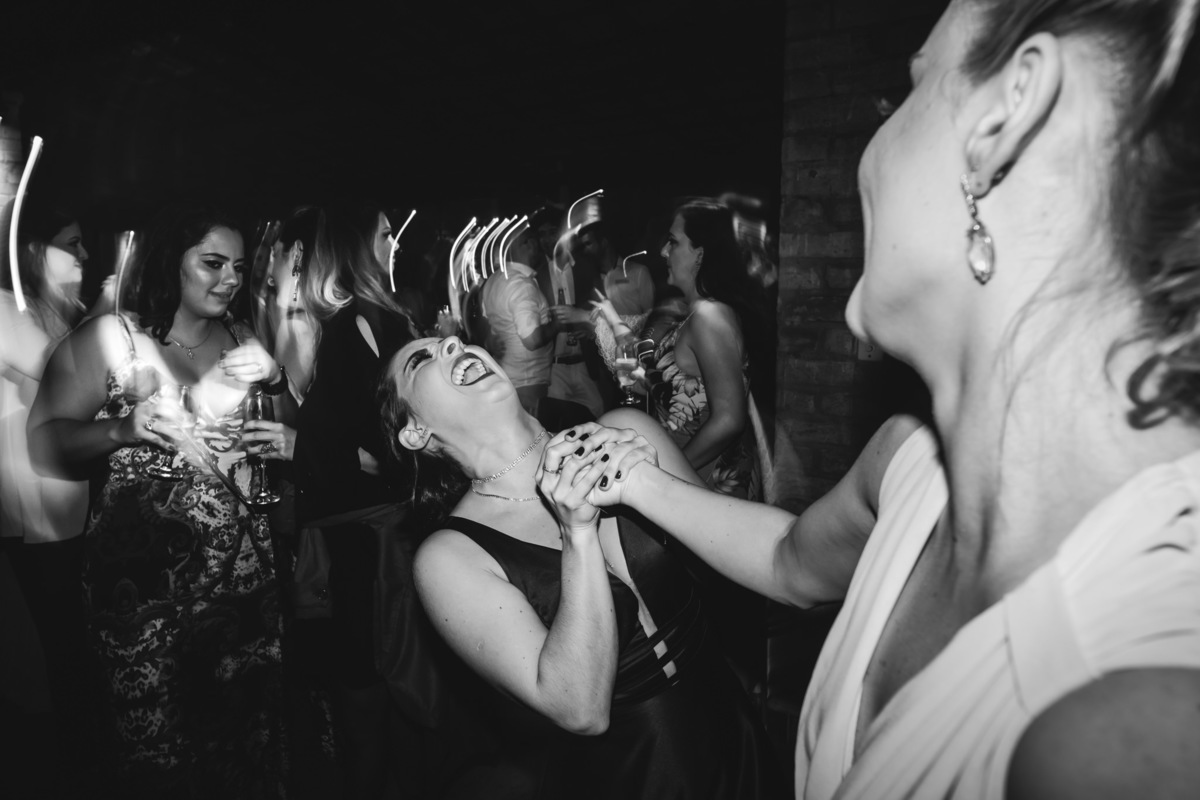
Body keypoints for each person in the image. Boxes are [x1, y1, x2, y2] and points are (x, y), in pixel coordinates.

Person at [542, 0, 1200, 796]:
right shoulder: (909, 458)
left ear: (1009, 112)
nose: (872, 143)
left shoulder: (1123, 721)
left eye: (908, 93)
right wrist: (637, 474)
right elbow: (792, 561)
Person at [381, 334, 784, 800]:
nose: (451, 343)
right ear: (415, 431)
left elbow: (734, 566)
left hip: (734, 731)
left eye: (450, 340)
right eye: (421, 359)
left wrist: (658, 485)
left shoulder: (625, 432)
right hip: (630, 774)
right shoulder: (450, 558)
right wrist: (578, 534)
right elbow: (580, 709)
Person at [27, 207, 287, 797]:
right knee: (159, 754)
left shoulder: (244, 339)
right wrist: (121, 429)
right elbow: (45, 441)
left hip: (244, 583)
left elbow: (289, 437)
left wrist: (275, 383)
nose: (230, 280)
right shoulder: (111, 338)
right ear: (172, 261)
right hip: (144, 597)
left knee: (243, 740)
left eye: (239, 268)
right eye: (213, 263)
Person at [286, 205, 467, 799]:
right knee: (384, 701)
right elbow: (384, 434)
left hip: (370, 534)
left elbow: (391, 439)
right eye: (386, 233)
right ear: (358, 245)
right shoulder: (362, 320)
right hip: (369, 539)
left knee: (372, 702)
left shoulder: (367, 320)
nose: (395, 243)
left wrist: (309, 446)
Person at [0, 200, 96, 795]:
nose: (85, 255)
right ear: (34, 252)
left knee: (70, 634)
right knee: (59, 642)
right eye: (72, 242)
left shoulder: (62, 313)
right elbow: (68, 380)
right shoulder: (9, 311)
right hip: (36, 508)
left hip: (69, 501)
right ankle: (71, 766)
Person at [648, 197, 768, 498]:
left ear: (699, 253)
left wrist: (671, 473)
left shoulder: (708, 317)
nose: (664, 251)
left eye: (673, 242)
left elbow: (729, 418)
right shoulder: (696, 311)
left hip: (705, 479)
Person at [480, 226, 556, 415]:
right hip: (528, 382)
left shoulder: (493, 280)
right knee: (534, 442)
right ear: (527, 244)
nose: (537, 245)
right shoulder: (522, 284)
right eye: (532, 240)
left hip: (505, 376)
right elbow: (532, 340)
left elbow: (487, 327)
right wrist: (558, 325)